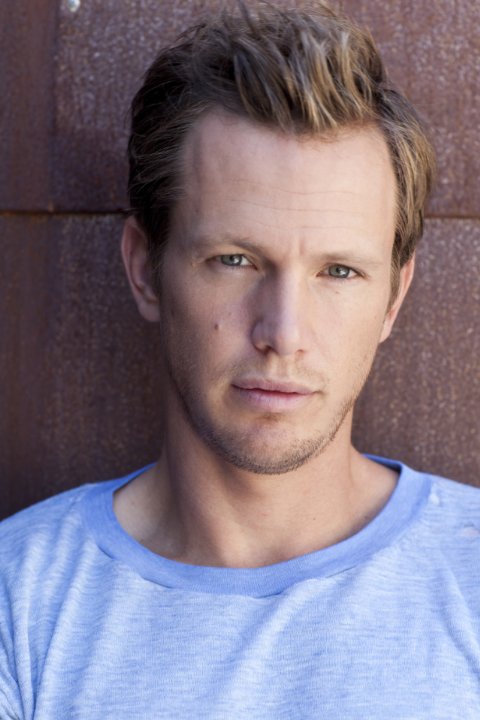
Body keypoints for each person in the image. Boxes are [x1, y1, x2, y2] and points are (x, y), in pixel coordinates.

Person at [1, 2, 479, 717]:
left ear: (393, 298)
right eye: (235, 259)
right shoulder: (19, 603)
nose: (284, 333)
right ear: (145, 268)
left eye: (339, 271)